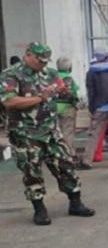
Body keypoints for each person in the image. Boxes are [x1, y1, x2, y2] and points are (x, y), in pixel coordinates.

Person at [0, 43, 95, 225]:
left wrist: (65, 92)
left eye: (45, 61)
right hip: (25, 133)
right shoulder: (11, 75)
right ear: (28, 55)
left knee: (66, 164)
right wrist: (40, 98)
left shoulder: (50, 73)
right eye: (39, 60)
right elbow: (9, 101)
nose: (43, 64)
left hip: (51, 131)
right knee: (32, 172)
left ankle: (75, 202)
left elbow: (62, 92)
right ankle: (39, 209)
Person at [85, 51, 108, 164]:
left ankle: (87, 161)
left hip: (100, 107)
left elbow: (91, 92)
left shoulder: (91, 72)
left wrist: (91, 108)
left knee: (94, 135)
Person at [54, 57, 91, 170]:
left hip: (54, 107)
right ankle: (69, 155)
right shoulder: (68, 78)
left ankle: (57, 154)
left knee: (56, 132)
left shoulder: (52, 77)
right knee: (68, 132)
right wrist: (76, 104)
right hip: (66, 108)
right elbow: (71, 93)